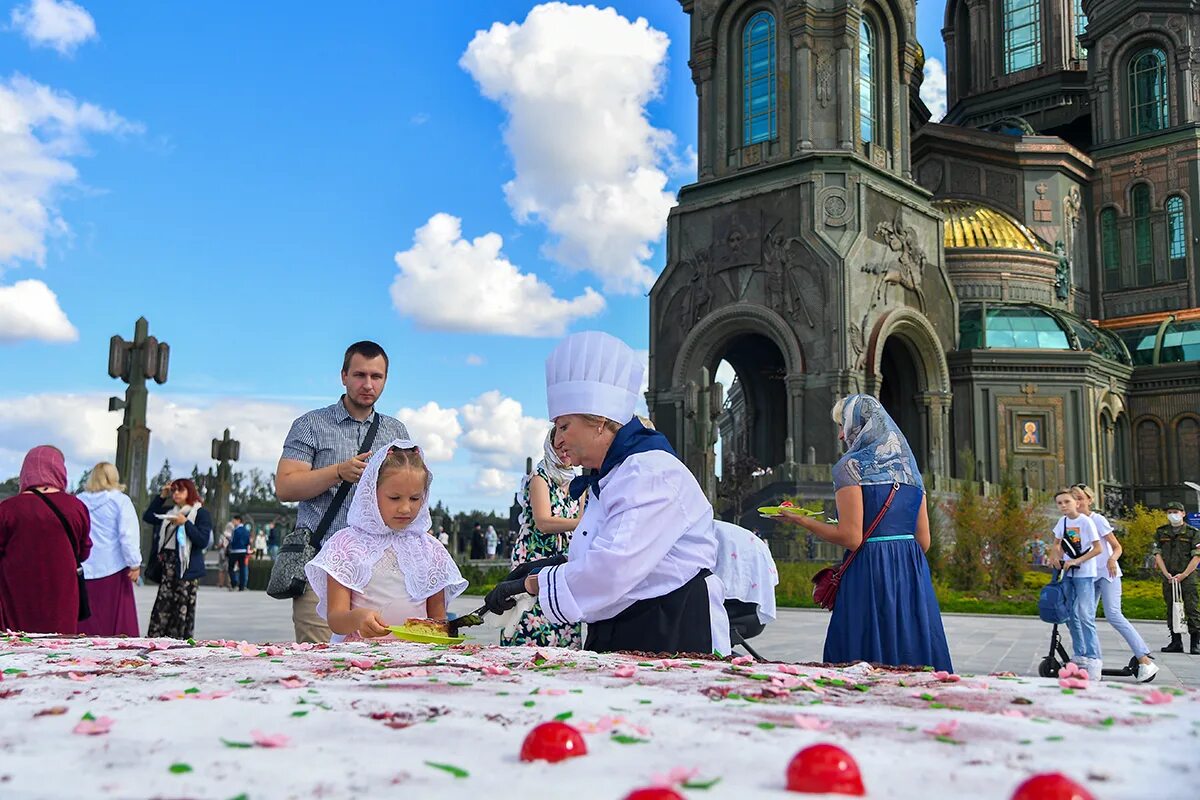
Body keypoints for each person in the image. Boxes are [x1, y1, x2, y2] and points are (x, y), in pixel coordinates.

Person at [487, 331, 731, 655]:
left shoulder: (650, 472)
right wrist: (547, 565)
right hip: (630, 621)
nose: (557, 440)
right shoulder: (614, 474)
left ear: (600, 421)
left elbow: (613, 568)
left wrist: (531, 584)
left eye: (564, 426)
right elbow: (607, 547)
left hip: (670, 626)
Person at [779, 395, 952, 672]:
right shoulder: (910, 470)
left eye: (842, 426)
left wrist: (801, 520)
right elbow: (924, 541)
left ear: (858, 426)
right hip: (911, 571)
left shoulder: (850, 467)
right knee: (914, 647)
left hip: (869, 570)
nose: (839, 435)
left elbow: (851, 537)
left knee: (861, 654)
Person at [275, 340, 409, 643]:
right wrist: (338, 472)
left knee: (378, 667)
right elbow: (285, 486)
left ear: (386, 380)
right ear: (343, 376)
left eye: (377, 377)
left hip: (377, 574)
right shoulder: (310, 424)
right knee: (318, 664)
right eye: (360, 375)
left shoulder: (396, 432)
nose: (368, 384)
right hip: (321, 568)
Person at [304, 440, 466, 641]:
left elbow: (438, 620)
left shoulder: (430, 550)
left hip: (416, 660)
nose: (405, 508)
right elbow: (336, 619)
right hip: (359, 658)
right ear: (372, 493)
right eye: (394, 498)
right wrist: (357, 618)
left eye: (415, 498)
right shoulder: (345, 545)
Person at [498, 427, 584, 649]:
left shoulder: (578, 483)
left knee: (563, 615)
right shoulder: (540, 477)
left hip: (564, 558)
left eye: (569, 448)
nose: (565, 454)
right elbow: (544, 522)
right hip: (535, 555)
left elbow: (585, 517)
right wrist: (580, 524)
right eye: (559, 448)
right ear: (550, 447)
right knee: (530, 617)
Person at [0, 446, 92, 634]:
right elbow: (83, 551)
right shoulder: (75, 507)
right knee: (58, 650)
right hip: (62, 593)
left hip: (15, 594)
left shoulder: (7, 509)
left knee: (16, 646)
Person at [1070, 485, 1158, 681]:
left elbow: (1117, 547)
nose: (1077, 502)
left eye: (1080, 498)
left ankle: (1144, 659)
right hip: (1088, 577)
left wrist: (1111, 559)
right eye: (1073, 498)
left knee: (1113, 614)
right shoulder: (1074, 524)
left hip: (1108, 574)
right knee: (1079, 615)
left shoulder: (1097, 520)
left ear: (1089, 500)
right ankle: (1087, 659)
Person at [77, 462, 142, 637]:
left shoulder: (79, 501)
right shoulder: (120, 501)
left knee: (85, 623)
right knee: (116, 625)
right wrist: (134, 563)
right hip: (113, 567)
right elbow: (128, 535)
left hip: (85, 567)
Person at [143, 478, 212, 639]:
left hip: (186, 568)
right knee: (163, 606)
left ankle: (178, 640)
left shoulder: (200, 513)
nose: (176, 494)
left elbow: (202, 540)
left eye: (180, 490)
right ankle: (157, 639)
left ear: (190, 492)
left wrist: (185, 523)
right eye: (173, 491)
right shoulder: (169, 512)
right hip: (168, 567)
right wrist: (161, 496)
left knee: (181, 607)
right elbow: (148, 517)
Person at [1048, 488, 1104, 681]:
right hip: (1068, 573)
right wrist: (1055, 555)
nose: (1063, 506)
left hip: (1085, 574)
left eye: (1067, 502)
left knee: (1085, 615)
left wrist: (1077, 561)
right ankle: (1079, 656)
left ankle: (1094, 658)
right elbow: (1056, 543)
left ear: (1076, 503)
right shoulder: (1062, 522)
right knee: (1070, 614)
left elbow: (1098, 548)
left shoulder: (1085, 522)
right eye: (1060, 503)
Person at [1152, 501, 1200, 654]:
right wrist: (1166, 573)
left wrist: (1184, 574)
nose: (1172, 514)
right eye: (1170, 512)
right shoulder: (1162, 532)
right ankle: (1176, 641)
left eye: (1176, 511)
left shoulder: (1193, 532)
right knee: (1172, 608)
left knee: (1191, 608)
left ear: (1183, 513)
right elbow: (1157, 554)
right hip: (1169, 576)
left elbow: (1197, 556)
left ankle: (1195, 642)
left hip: (1187, 576)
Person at [227, 515, 250, 592]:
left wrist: (230, 543)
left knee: (231, 567)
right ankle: (242, 586)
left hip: (235, 551)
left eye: (234, 520)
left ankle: (234, 583)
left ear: (238, 520)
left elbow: (233, 541)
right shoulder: (246, 530)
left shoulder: (236, 530)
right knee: (242, 568)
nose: (233, 522)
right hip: (243, 551)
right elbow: (247, 541)